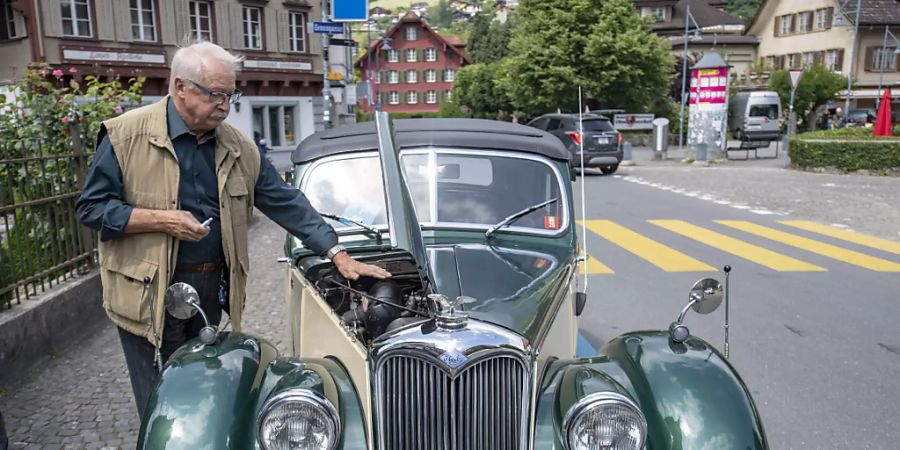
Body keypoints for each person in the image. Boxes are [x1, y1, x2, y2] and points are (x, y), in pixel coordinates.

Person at [76, 41, 390, 418]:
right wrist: (162, 220)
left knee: (205, 393)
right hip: (146, 292)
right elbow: (92, 208)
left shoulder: (239, 146)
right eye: (216, 94)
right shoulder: (125, 136)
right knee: (158, 402)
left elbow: (284, 200)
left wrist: (336, 253)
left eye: (231, 93)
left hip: (209, 291)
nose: (225, 104)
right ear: (180, 87)